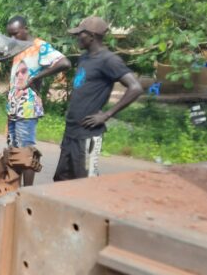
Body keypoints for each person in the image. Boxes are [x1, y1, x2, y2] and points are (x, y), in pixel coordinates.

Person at [53, 16, 143, 181]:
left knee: (84, 182)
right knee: (61, 180)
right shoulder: (84, 58)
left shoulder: (109, 60)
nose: (77, 37)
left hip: (88, 133)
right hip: (71, 131)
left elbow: (135, 87)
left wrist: (106, 115)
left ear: (92, 36)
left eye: (80, 34)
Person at [5, 15, 72, 186]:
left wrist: (37, 77)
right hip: (14, 107)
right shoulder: (17, 47)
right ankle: (15, 189)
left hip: (27, 107)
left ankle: (28, 191)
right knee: (15, 151)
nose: (12, 38)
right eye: (10, 35)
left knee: (26, 151)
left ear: (25, 29)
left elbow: (65, 63)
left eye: (15, 34)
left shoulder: (39, 46)